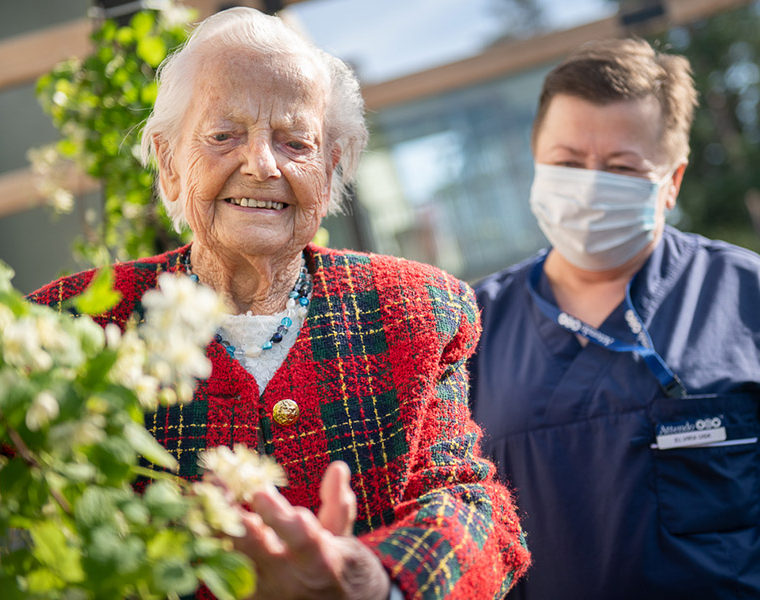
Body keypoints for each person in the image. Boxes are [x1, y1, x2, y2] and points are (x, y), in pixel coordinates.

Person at [29, 8, 529, 600]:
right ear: (167, 163)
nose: (262, 165)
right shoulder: (76, 324)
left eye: (296, 142)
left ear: (331, 168)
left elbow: (473, 504)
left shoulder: (416, 310)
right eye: (223, 135)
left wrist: (374, 578)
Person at [467, 38, 760, 599]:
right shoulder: (470, 328)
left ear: (672, 182)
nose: (589, 186)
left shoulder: (748, 296)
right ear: (535, 163)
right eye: (566, 163)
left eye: (620, 167)